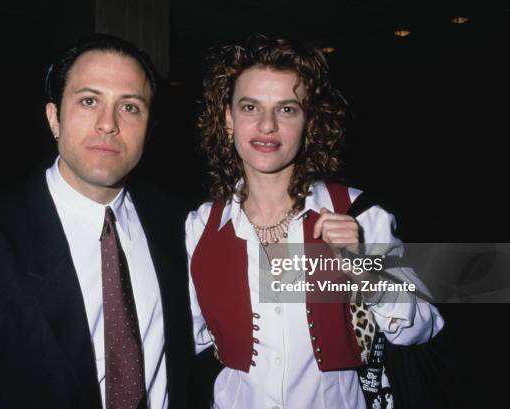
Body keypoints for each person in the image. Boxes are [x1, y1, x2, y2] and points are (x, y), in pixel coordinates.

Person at [0, 33, 193, 409]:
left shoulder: (178, 223)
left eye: (130, 107)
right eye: (89, 101)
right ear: (54, 118)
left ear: (149, 127)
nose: (109, 124)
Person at [186, 34, 444, 409]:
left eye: (287, 109)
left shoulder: (359, 213)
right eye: (250, 107)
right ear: (228, 118)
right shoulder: (200, 227)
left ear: (309, 121)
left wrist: (364, 270)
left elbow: (424, 326)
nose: (267, 125)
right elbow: (180, 338)